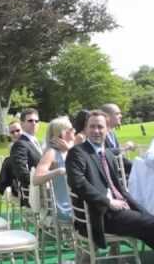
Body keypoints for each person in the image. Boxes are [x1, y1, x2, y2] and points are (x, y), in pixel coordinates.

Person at [66, 110, 154, 250]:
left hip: (120, 210)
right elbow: (78, 183)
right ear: (86, 129)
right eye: (92, 126)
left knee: (148, 224)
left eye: (100, 127)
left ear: (107, 129)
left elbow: (121, 190)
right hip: (100, 215)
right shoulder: (77, 152)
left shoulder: (107, 153)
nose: (96, 130)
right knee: (149, 225)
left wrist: (142, 210)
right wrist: (109, 201)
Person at [33, 116, 75, 222]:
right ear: (60, 134)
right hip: (66, 205)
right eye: (70, 129)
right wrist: (57, 171)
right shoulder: (51, 153)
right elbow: (36, 179)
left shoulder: (73, 149)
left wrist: (69, 150)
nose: (74, 131)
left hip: (78, 200)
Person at [10, 108, 42, 205]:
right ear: (22, 124)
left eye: (36, 121)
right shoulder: (20, 144)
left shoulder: (35, 142)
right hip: (35, 195)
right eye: (30, 121)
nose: (34, 123)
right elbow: (21, 172)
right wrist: (40, 184)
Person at [100, 103, 135, 174]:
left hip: (120, 168)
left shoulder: (111, 132)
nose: (120, 116)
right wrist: (124, 147)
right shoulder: (99, 134)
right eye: (117, 114)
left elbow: (117, 152)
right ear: (106, 116)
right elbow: (101, 152)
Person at [0, 120, 22, 196]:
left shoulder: (31, 143)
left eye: (18, 130)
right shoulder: (12, 147)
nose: (15, 134)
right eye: (12, 132)